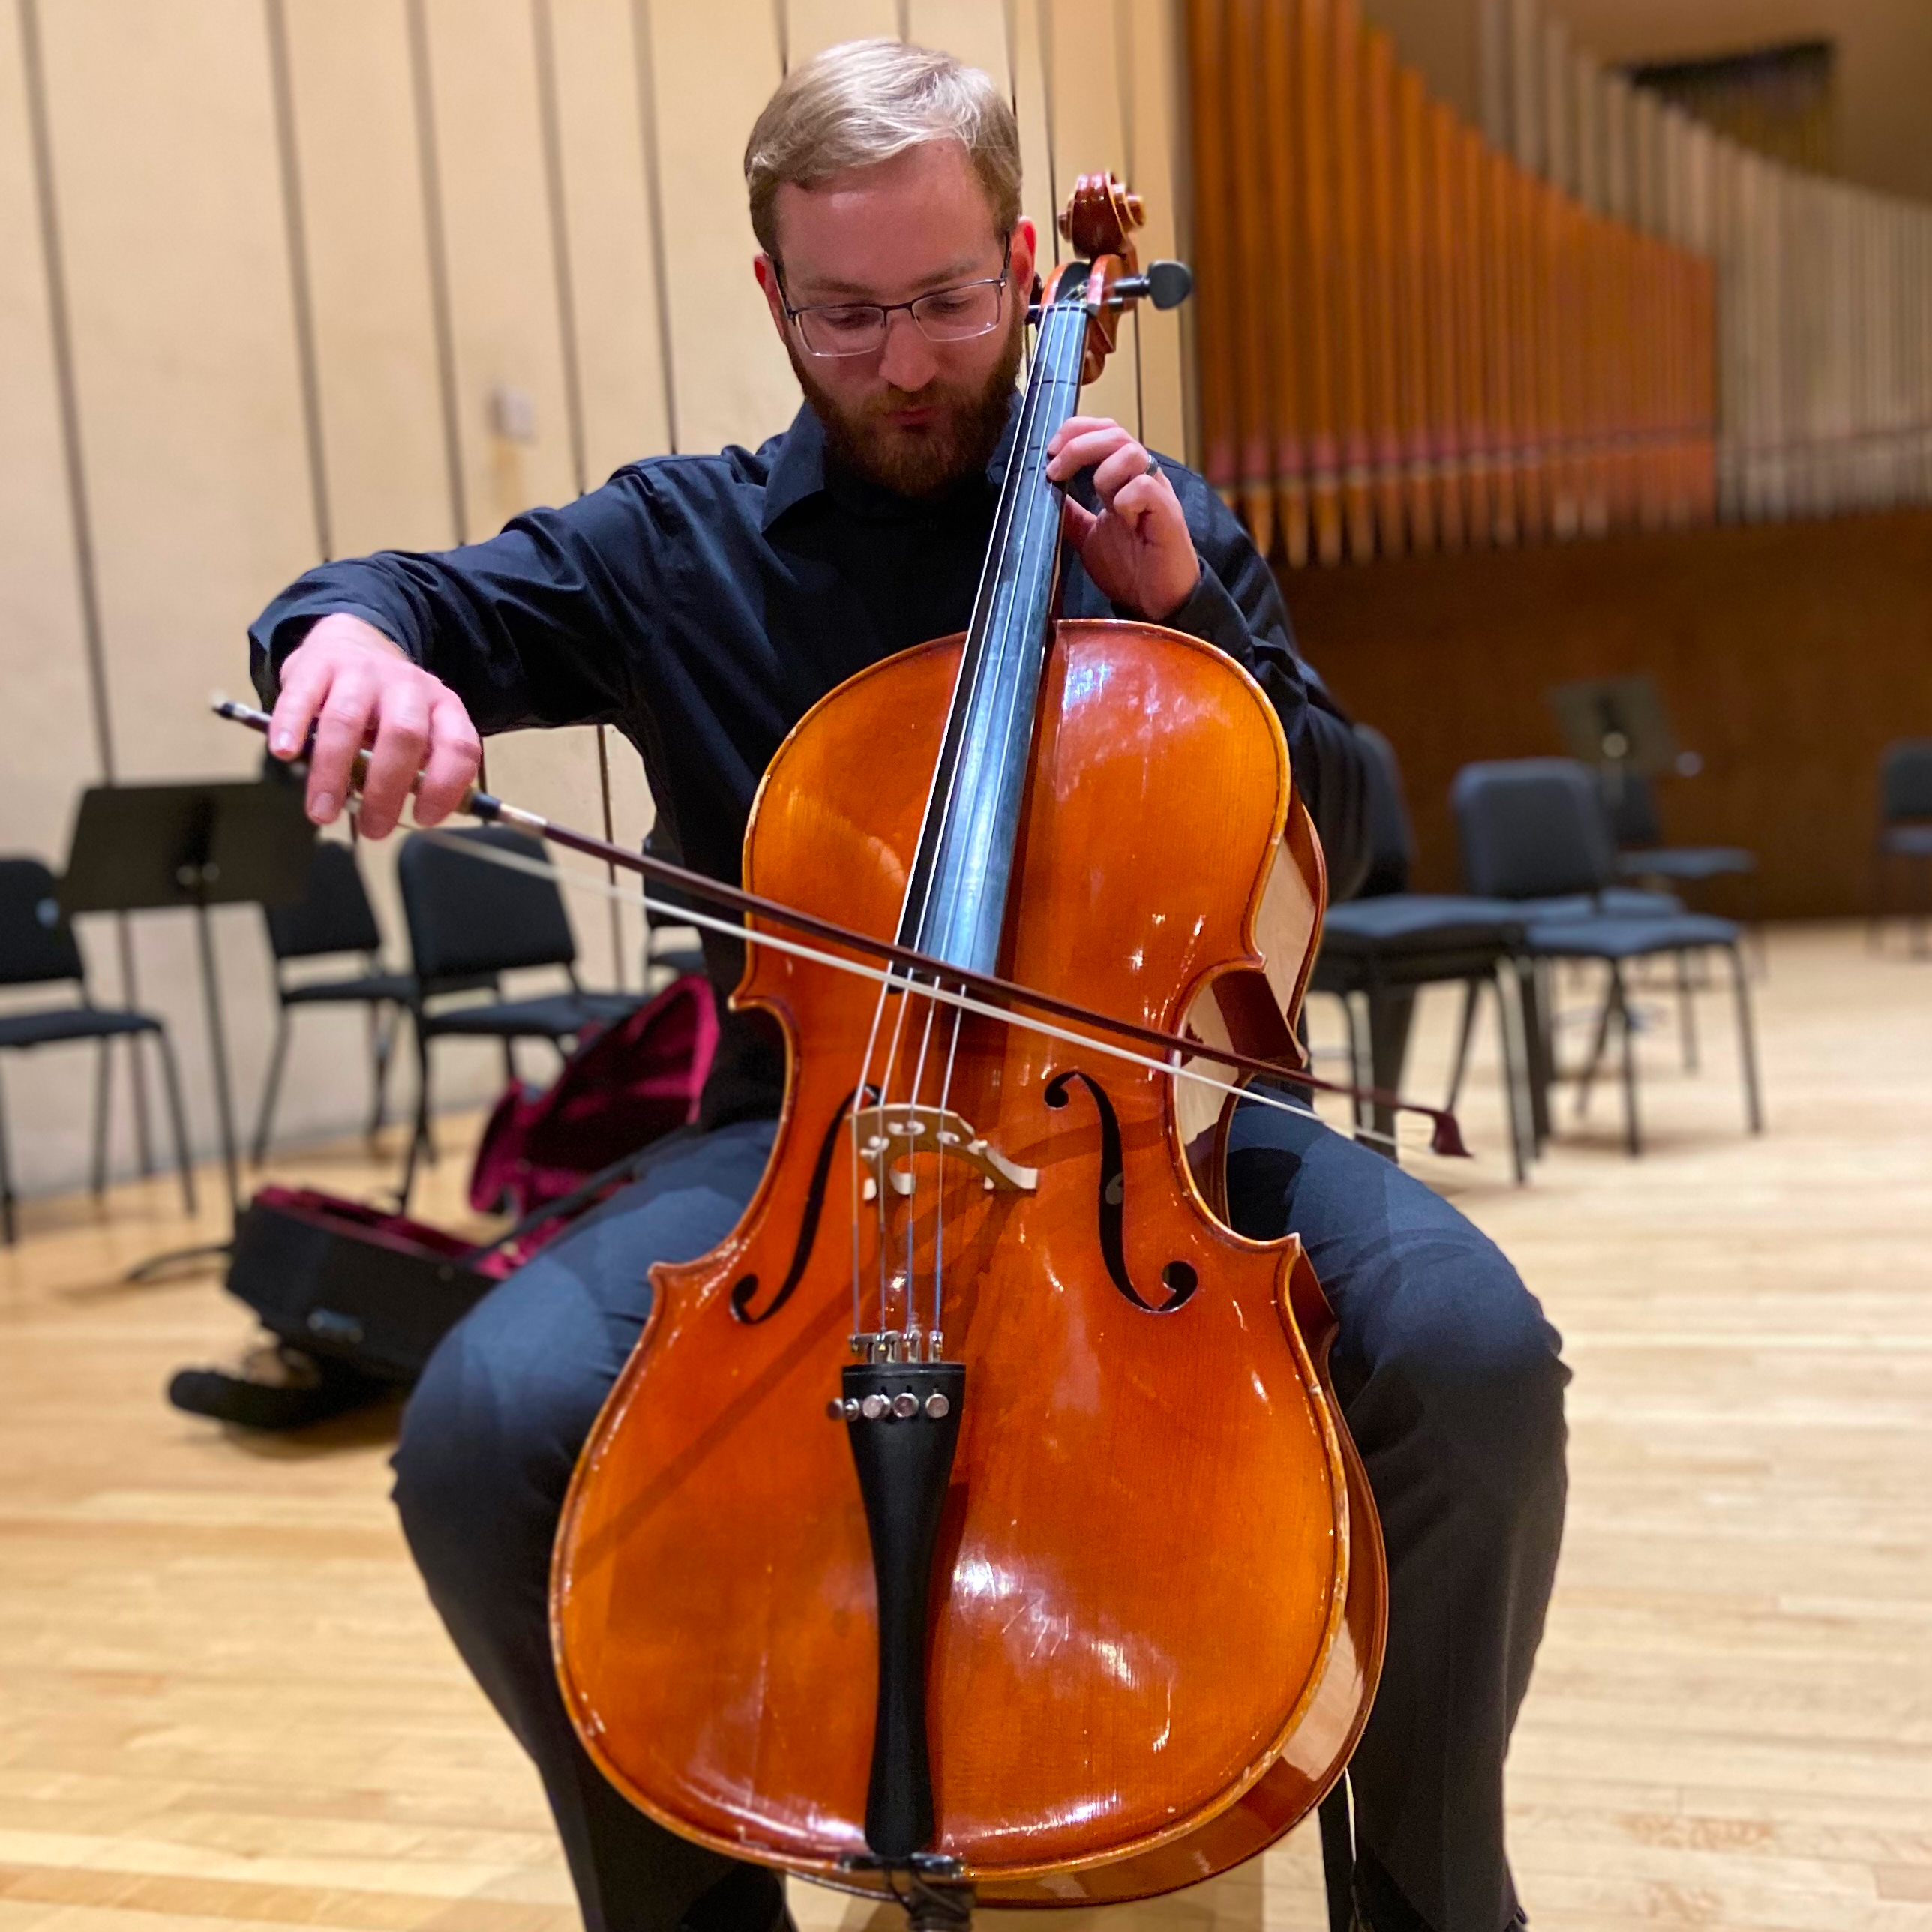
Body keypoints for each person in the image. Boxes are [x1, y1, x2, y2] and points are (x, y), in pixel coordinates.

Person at [248, 40, 1566, 1932]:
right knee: (482, 1433)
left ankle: (1434, 1901)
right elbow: (407, 595)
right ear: (770, 292)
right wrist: (354, 646)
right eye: (847, 313)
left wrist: (1189, 616)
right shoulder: (671, 544)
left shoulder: (1148, 511)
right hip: (803, 1135)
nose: (908, 360)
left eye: (948, 302)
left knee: (1471, 1361)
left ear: (1030, 266)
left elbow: (1347, 828)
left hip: (1162, 1133)